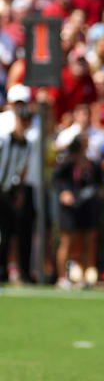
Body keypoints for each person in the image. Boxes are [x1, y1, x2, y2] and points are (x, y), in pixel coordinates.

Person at [53, 135, 104, 290]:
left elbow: (99, 184)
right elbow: (56, 180)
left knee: (87, 241)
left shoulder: (92, 164)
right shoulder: (67, 163)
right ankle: (62, 277)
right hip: (70, 207)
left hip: (87, 206)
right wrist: (64, 193)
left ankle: (83, 276)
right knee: (67, 241)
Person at [0, 84, 33, 284]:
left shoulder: (26, 144)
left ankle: (8, 270)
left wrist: (19, 192)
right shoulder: (4, 139)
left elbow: (22, 170)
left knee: (9, 232)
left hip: (7, 191)